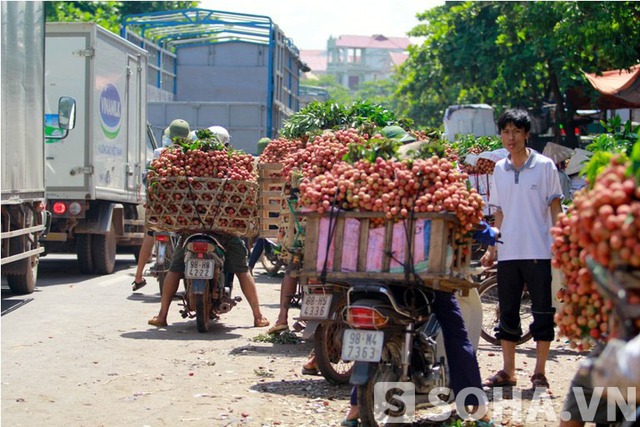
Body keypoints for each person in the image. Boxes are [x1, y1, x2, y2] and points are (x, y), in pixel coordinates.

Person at [146, 125, 270, 328]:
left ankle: (162, 315)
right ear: (225, 143)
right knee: (242, 270)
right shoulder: (228, 164)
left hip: (191, 230)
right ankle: (257, 316)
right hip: (224, 231)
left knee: (175, 269)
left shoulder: (187, 162)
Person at [480, 108, 563, 390]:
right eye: (506, 132)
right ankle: (509, 371)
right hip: (508, 252)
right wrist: (493, 247)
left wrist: (561, 242)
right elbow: (499, 212)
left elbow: (555, 207)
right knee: (508, 313)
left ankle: (539, 372)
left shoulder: (545, 166)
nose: (510, 137)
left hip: (539, 251)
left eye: (516, 131)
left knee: (542, 312)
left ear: (527, 134)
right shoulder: (499, 169)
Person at [340, 290, 488, 425]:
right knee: (457, 335)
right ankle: (477, 407)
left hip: (367, 286)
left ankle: (355, 408)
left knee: (369, 335)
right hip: (418, 285)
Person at [132, 119, 191, 291]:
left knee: (150, 235)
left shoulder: (159, 152)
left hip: (161, 206)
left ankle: (138, 276)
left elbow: (148, 177)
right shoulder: (190, 152)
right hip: (183, 207)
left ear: (170, 136)